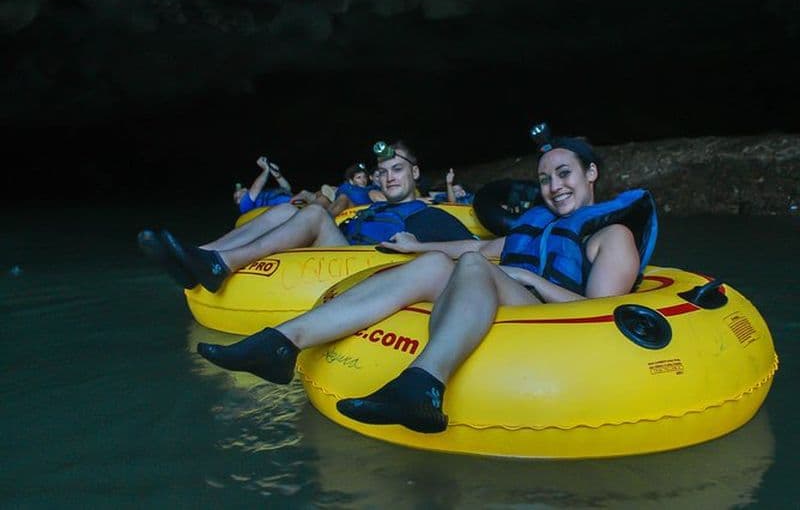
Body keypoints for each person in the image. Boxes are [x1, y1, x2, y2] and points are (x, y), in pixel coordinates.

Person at [193, 124, 658, 434]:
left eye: (564, 174)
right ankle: (282, 343)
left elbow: (602, 313)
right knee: (440, 265)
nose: (554, 186)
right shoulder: (538, 225)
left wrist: (525, 279)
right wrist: (419, 248)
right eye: (544, 179)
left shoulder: (612, 234)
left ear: (591, 173)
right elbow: (480, 248)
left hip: (553, 322)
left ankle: (424, 386)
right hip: (514, 291)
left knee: (474, 270)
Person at [138, 140, 476, 292]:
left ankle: (220, 264)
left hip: (363, 265)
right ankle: (197, 254)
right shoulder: (376, 206)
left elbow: (474, 250)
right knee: (285, 209)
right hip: (345, 246)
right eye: (383, 171)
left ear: (415, 173)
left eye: (398, 169)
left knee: (314, 215)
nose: (388, 177)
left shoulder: (428, 214)